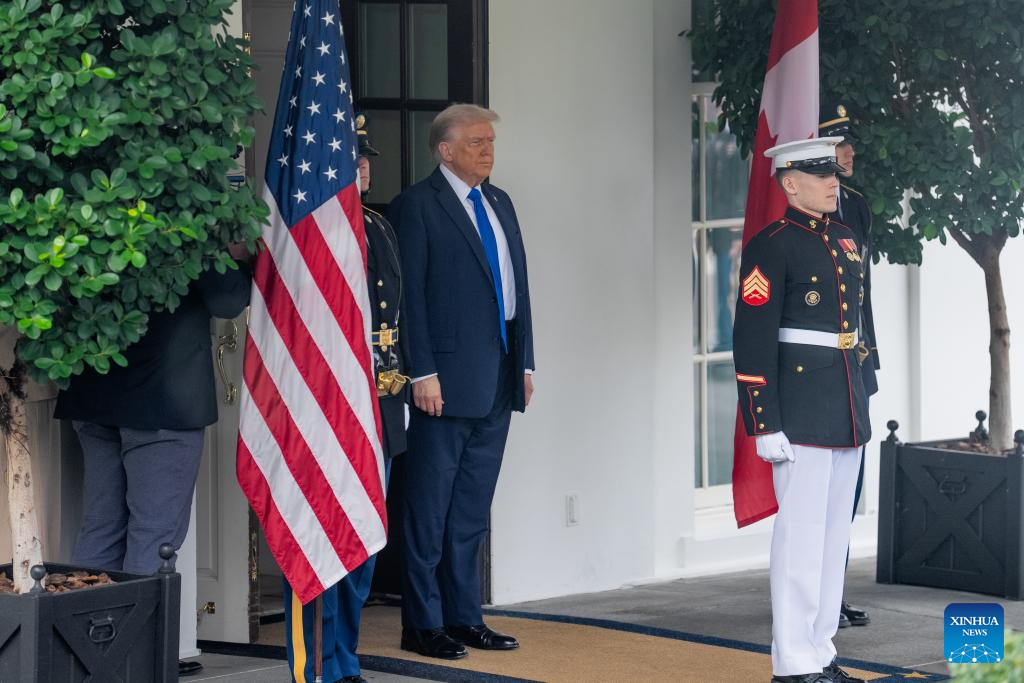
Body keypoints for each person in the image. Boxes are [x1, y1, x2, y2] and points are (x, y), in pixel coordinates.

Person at [54, 254, 252, 678]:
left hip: (94, 387)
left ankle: (88, 658)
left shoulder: (95, 213)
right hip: (164, 398)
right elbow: (227, 300)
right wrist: (238, 255)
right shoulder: (190, 226)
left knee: (101, 529)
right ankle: (136, 663)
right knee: (154, 538)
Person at [388, 104, 535, 660]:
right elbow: (409, 298)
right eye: (476, 142)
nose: (487, 150)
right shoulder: (417, 205)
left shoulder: (499, 201)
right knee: (428, 510)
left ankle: (465, 617)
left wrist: (525, 363)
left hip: (498, 376)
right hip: (442, 384)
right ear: (445, 150)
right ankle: (422, 624)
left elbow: (517, 290)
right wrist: (421, 371)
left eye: (490, 141)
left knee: (472, 508)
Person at [733, 137, 870, 683]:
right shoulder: (772, 245)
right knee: (800, 541)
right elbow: (752, 338)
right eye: (820, 175)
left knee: (833, 540)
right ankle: (792, 664)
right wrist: (763, 421)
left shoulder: (845, 238)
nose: (833, 181)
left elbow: (856, 325)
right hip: (800, 408)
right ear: (790, 184)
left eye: (833, 172)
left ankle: (821, 652)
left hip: (846, 402)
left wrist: (862, 392)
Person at [281, 114, 410, 683]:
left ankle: (345, 658)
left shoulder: (378, 225)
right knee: (321, 543)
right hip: (326, 408)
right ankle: (317, 665)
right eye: (350, 159)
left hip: (379, 403)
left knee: (363, 542)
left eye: (365, 159)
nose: (363, 167)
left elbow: (400, 316)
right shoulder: (307, 232)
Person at [820, 103, 877, 630]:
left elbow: (863, 293)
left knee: (848, 486)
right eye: (841, 144)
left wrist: (869, 354)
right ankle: (814, 596)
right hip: (820, 363)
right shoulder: (805, 210)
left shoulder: (855, 205)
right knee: (818, 488)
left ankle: (832, 593)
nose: (850, 151)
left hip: (856, 358)